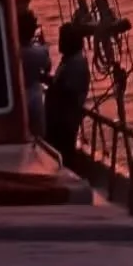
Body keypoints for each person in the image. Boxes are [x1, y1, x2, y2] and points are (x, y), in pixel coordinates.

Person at [43, 21, 90, 166]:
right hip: (59, 119)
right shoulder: (69, 61)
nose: (59, 43)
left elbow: (68, 94)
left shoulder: (76, 64)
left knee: (64, 154)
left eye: (62, 39)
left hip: (64, 122)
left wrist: (54, 89)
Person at [16, 0, 51, 140]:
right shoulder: (39, 52)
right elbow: (47, 67)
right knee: (39, 136)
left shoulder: (13, 52)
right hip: (35, 95)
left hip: (19, 96)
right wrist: (43, 43)